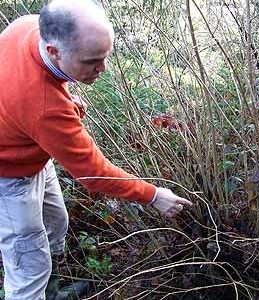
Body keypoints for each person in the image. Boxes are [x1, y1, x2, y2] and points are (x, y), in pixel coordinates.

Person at [0, 0, 193, 299]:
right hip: (9, 175)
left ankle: (50, 293)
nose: (101, 69)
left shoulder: (26, 27)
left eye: (104, 57)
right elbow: (93, 174)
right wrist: (154, 196)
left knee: (55, 224)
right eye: (91, 61)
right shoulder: (45, 109)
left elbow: (30, 83)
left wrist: (67, 99)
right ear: (54, 51)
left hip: (30, 149)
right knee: (28, 267)